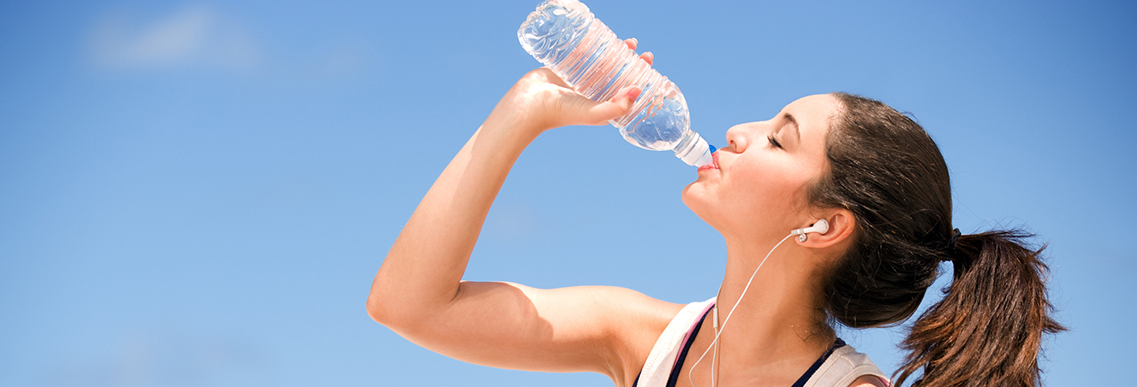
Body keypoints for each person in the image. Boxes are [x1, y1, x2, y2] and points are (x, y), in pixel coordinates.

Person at [366, 39, 1063, 387]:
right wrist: (524, 111)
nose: (739, 130)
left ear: (823, 224)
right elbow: (408, 305)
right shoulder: (643, 339)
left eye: (779, 138)